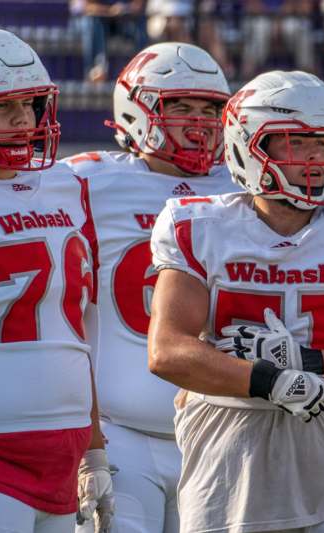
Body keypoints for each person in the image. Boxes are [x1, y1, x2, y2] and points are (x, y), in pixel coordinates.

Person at [147, 70, 324, 533]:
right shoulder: (198, 224)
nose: (315, 156)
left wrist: (302, 361)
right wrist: (270, 380)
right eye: (295, 142)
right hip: (229, 453)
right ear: (248, 145)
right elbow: (167, 351)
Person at [64, 42, 235, 533]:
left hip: (218, 429)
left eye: (210, 108)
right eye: (179, 105)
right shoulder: (85, 182)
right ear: (135, 109)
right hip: (120, 435)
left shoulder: (244, 189)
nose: (198, 121)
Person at [0, 28, 112, 533]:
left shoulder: (66, 186)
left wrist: (93, 451)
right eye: (2, 106)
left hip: (64, 453)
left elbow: (76, 330)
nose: (23, 119)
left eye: (29, 104)